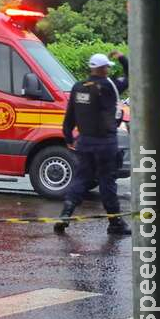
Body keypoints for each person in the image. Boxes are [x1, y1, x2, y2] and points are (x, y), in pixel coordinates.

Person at [55, 51, 131, 235]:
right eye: (106, 67)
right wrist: (122, 58)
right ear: (103, 69)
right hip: (106, 143)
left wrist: (68, 138)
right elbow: (131, 76)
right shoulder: (108, 86)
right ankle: (115, 223)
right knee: (107, 181)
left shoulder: (78, 87)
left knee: (81, 178)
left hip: (85, 142)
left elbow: (70, 117)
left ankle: (66, 213)